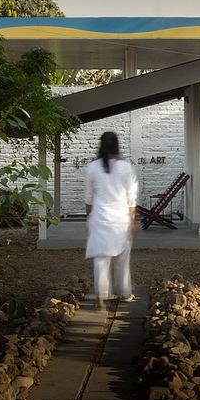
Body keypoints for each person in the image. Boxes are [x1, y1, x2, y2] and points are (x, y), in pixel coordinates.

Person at [84, 131, 138, 310]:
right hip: (121, 219)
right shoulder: (126, 167)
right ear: (116, 146)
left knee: (101, 258)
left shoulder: (92, 167)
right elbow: (131, 199)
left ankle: (101, 295)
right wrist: (133, 221)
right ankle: (125, 293)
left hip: (99, 218)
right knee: (122, 259)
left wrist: (89, 218)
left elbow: (88, 198)